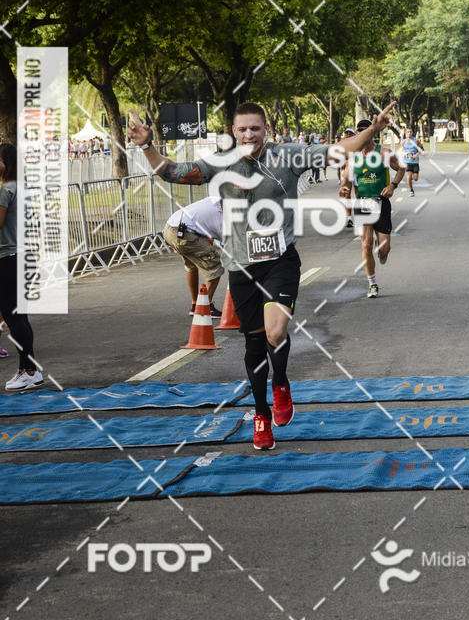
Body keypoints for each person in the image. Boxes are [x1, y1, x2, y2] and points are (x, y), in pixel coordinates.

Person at [127, 100, 395, 450]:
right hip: (241, 266)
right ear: (233, 133)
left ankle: (281, 382)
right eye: (242, 129)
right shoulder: (219, 164)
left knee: (275, 329)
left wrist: (372, 130)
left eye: (256, 127)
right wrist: (147, 145)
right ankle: (261, 414)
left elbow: (336, 151)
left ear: (266, 129)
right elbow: (174, 171)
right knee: (254, 345)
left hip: (280, 260)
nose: (249, 134)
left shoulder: (288, 156)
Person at [339, 119, 404, 299]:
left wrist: (393, 186)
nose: (362, 134)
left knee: (384, 249)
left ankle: (382, 250)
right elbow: (346, 182)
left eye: (365, 131)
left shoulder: (383, 152)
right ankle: (372, 284)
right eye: (360, 131)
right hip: (363, 203)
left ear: (372, 133)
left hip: (381, 202)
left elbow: (401, 168)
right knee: (366, 244)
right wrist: (344, 189)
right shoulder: (353, 158)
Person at [0, 143, 44, 390]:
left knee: (13, 316)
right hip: (22, 256)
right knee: (19, 316)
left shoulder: (6, 189)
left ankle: (28, 370)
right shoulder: (21, 187)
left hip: (8, 258)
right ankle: (27, 369)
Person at [163, 197, 224, 318]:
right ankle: (205, 307)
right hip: (184, 233)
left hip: (170, 227)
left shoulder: (214, 199)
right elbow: (228, 245)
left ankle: (195, 304)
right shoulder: (225, 218)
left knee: (191, 265)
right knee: (215, 265)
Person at [402, 128, 425, 197]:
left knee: (415, 178)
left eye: (410, 132)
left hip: (415, 162)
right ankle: (411, 190)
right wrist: (407, 154)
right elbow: (402, 150)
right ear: (405, 134)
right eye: (407, 132)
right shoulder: (403, 142)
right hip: (407, 162)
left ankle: (413, 176)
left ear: (412, 133)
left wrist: (417, 154)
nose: (409, 133)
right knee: (408, 176)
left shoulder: (416, 141)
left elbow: (422, 149)